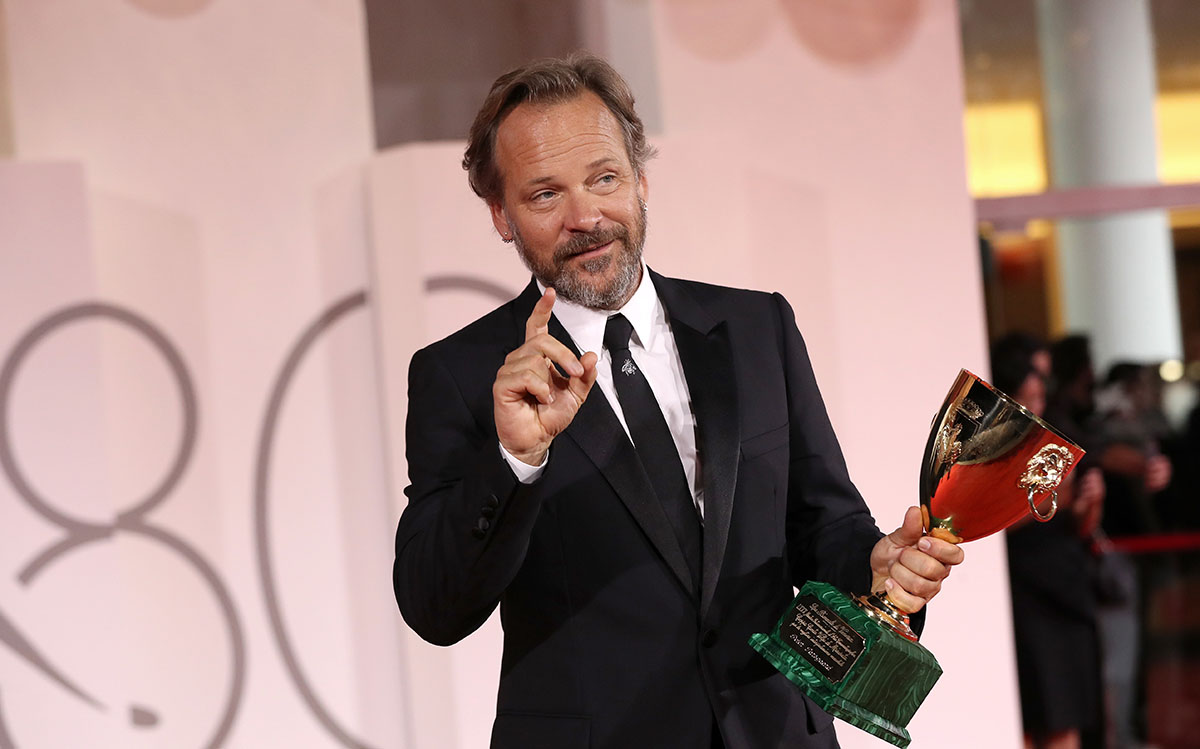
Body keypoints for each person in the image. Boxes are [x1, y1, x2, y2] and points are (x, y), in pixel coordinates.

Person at [391, 53, 963, 749]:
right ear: (500, 215)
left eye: (604, 178)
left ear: (641, 180)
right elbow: (435, 607)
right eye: (544, 195)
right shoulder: (463, 374)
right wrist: (515, 458)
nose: (584, 216)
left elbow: (824, 524)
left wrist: (874, 566)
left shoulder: (756, 328)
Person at [992, 333, 1105, 749]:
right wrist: (1050, 498)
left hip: (1066, 588)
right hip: (1026, 593)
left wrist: (1090, 502)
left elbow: (1083, 525)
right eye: (1028, 397)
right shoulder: (996, 448)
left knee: (1068, 713)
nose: (1037, 407)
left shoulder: (1060, 436)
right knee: (1032, 710)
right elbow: (996, 525)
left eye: (1040, 395)